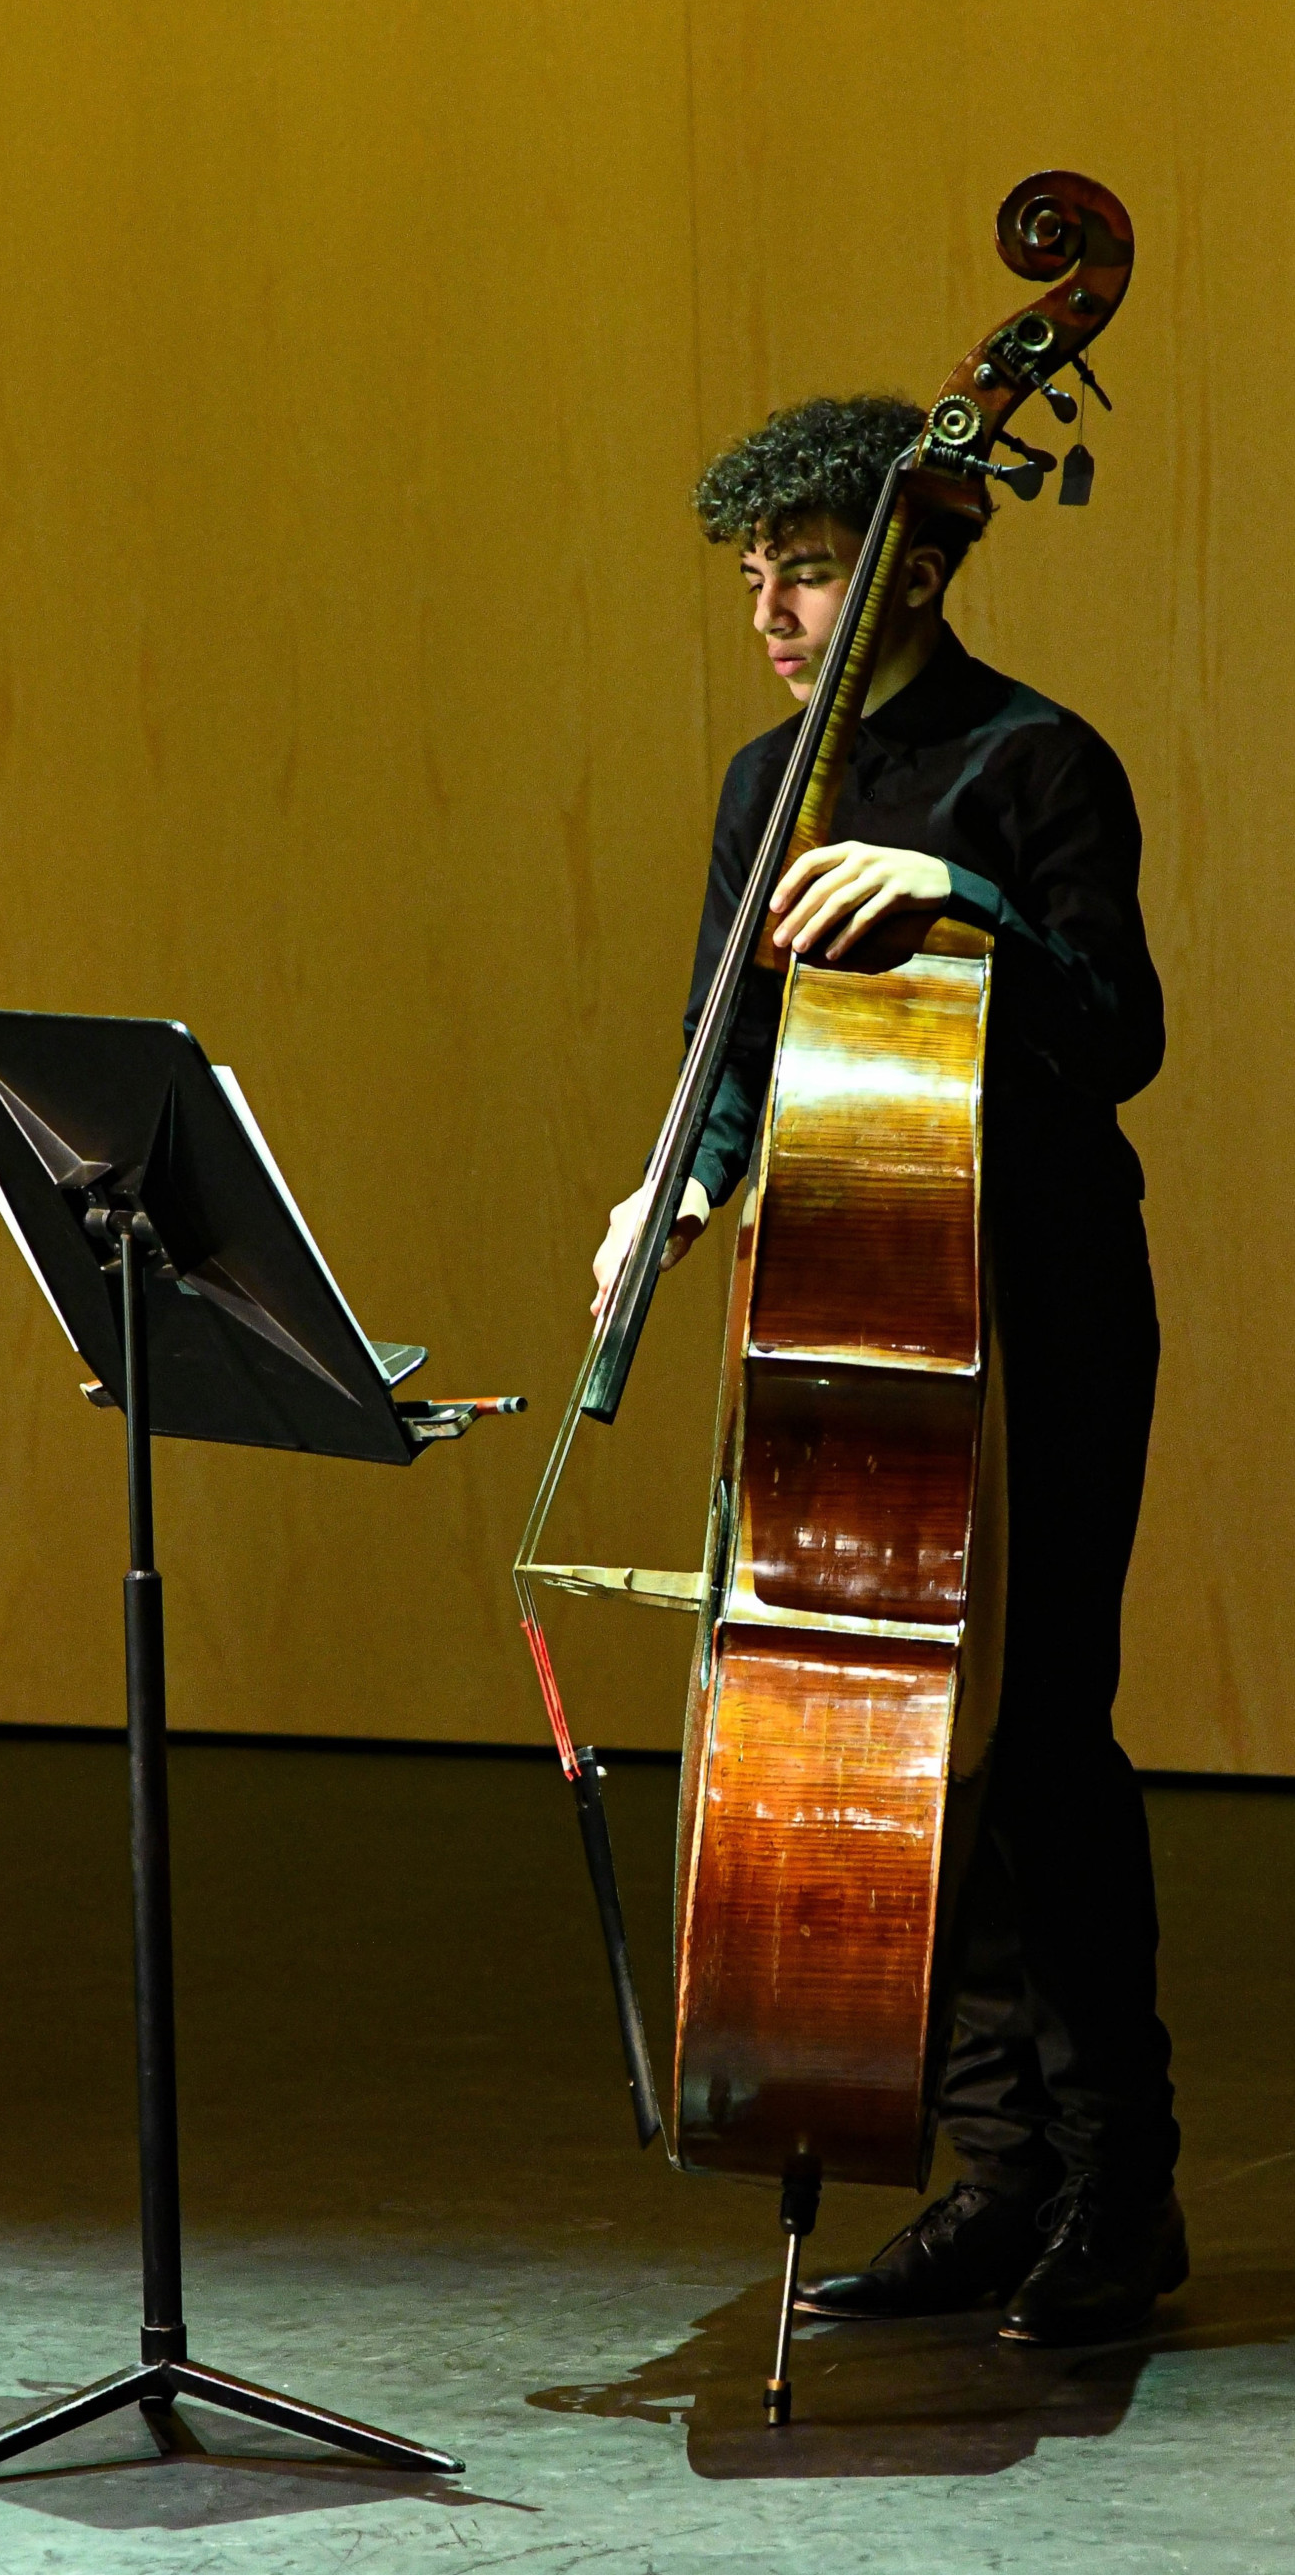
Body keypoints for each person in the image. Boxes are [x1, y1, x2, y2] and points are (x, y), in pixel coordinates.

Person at [592, 394, 1183, 2348]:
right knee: (916, 1750)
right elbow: (731, 1048)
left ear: (916, 568)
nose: (775, 610)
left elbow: (1118, 1034)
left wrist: (965, 903)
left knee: (1045, 1741)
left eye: (813, 570)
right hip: (853, 1308)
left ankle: (1121, 2191)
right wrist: (673, 1190)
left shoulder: (1036, 762)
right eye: (755, 574)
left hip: (1039, 1298)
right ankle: (999, 2179)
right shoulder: (769, 782)